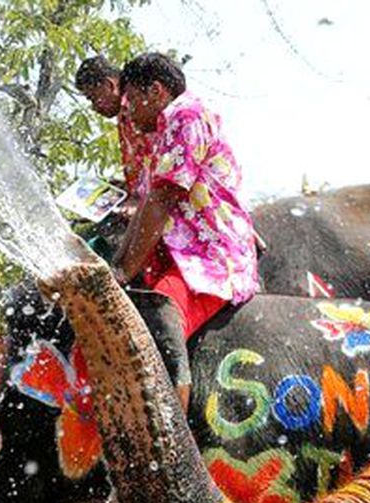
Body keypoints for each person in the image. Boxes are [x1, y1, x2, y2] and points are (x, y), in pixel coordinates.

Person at [114, 52, 260, 411]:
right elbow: (149, 204)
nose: (128, 112)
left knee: (155, 323)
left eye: (131, 100)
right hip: (182, 254)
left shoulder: (186, 116)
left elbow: (163, 198)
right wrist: (116, 267)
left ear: (156, 91)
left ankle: (169, 448)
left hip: (209, 259)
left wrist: (120, 271)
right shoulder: (164, 131)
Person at [75, 54, 152, 196]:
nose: (94, 107)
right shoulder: (123, 116)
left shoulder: (137, 110)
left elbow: (161, 164)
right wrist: (127, 186)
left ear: (109, 85)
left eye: (93, 98)